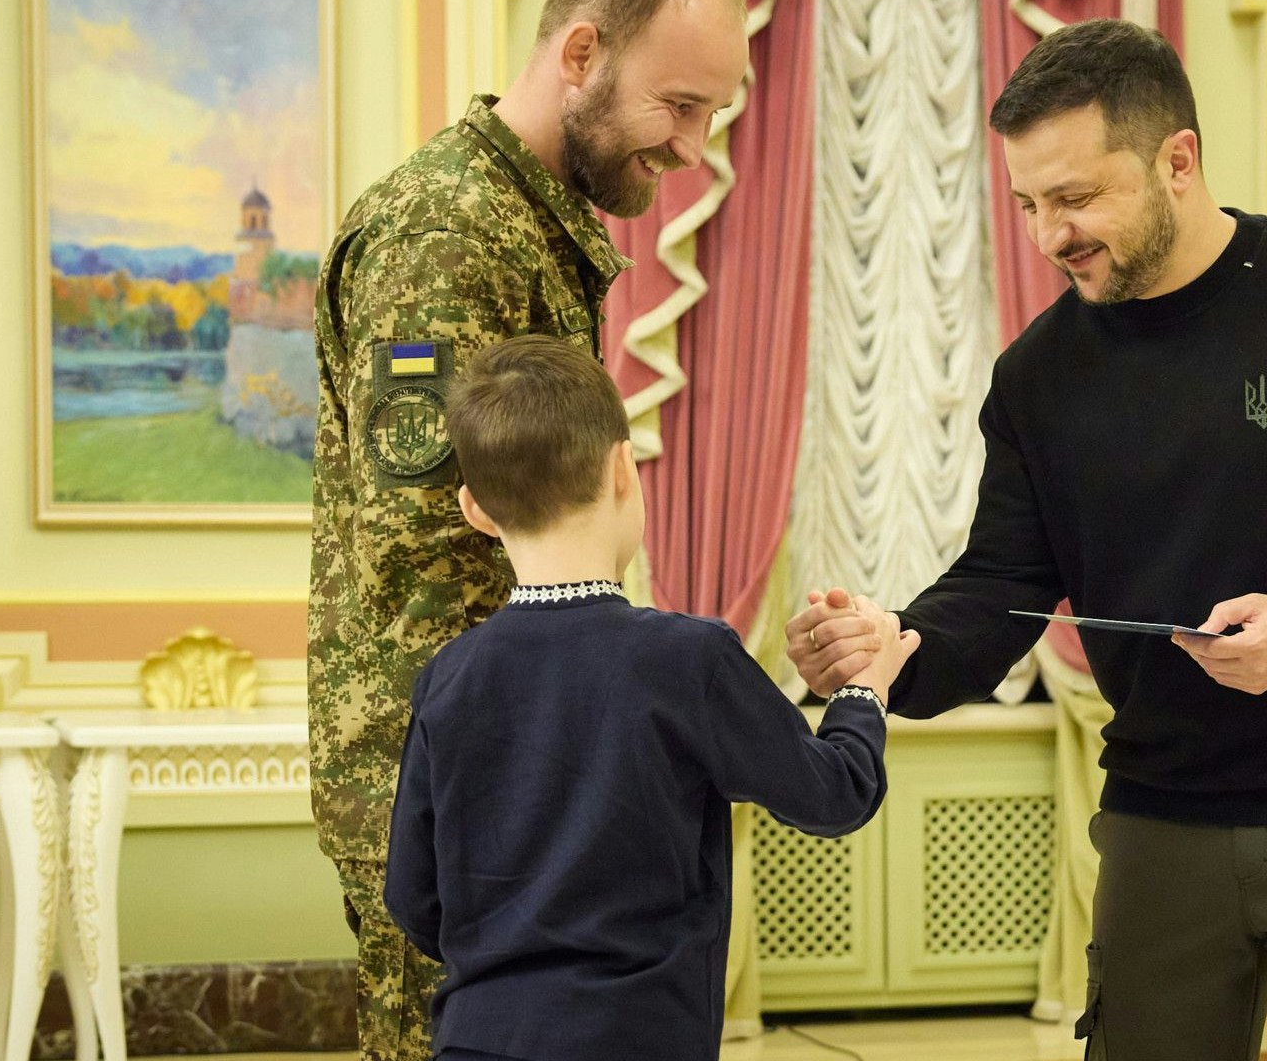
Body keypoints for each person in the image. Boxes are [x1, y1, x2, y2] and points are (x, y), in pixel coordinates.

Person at [787, 18, 1267, 1061]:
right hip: (1156, 818)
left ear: (1176, 160)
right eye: (1029, 205)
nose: (1049, 235)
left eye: (1077, 197)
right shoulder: (1038, 377)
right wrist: (899, 650)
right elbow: (1004, 579)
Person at [307, 0, 748, 1060]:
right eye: (680, 106)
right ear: (581, 52)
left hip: (512, 791)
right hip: (465, 805)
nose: (695, 148)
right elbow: (430, 561)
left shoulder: (527, 224)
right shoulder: (451, 232)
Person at [382, 336, 909, 1061]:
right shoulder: (688, 657)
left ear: (474, 508)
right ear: (624, 468)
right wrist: (863, 690)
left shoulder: (446, 676)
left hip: (479, 1039)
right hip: (640, 1037)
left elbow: (414, 900)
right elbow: (836, 794)